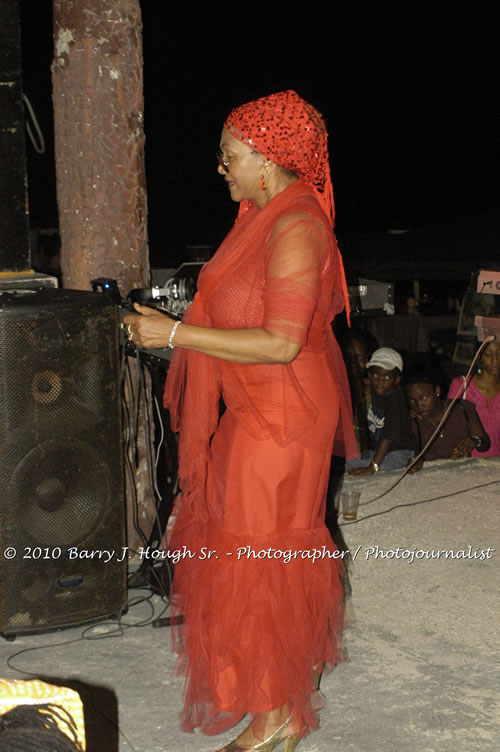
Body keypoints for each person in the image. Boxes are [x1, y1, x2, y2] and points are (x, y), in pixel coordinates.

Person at [124, 90, 357, 751]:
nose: (220, 167)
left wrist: (174, 338)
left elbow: (282, 342)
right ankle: (274, 680)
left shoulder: (298, 227)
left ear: (266, 156)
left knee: (261, 559)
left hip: (284, 416)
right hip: (252, 408)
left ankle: (275, 712)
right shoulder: (261, 215)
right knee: (241, 549)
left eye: (228, 155)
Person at [348, 347, 415, 475]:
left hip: (400, 452)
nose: (380, 381)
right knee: (346, 460)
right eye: (375, 375)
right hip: (378, 450)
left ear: (397, 380)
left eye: (387, 377)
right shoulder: (373, 388)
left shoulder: (395, 400)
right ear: (369, 375)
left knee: (356, 466)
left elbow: (387, 438)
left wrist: (372, 467)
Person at [405, 369, 490, 465]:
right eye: (412, 401)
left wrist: (474, 441)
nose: (419, 405)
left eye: (424, 398)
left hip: (465, 473)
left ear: (437, 391)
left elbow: (485, 443)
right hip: (432, 476)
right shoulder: (413, 421)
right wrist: (415, 463)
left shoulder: (463, 408)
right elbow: (413, 455)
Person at [447, 340, 500, 457]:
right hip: (467, 463)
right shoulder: (461, 385)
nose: (495, 360)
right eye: (488, 354)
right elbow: (448, 426)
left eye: (499, 353)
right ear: (479, 356)